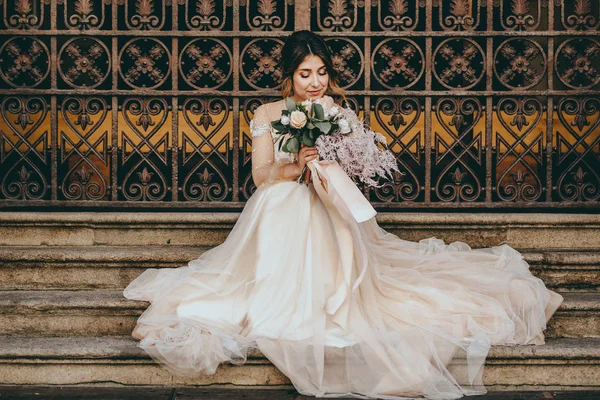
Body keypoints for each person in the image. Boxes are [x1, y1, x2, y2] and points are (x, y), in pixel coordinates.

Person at [123, 30, 564, 399]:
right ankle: (273, 302)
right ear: (288, 76)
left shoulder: (339, 112)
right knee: (280, 205)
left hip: (329, 202)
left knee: (330, 228)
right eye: (305, 74)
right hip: (282, 199)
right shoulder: (268, 113)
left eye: (322, 73)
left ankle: (330, 302)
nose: (315, 82)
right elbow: (261, 177)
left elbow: (357, 166)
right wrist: (295, 163)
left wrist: (338, 161)